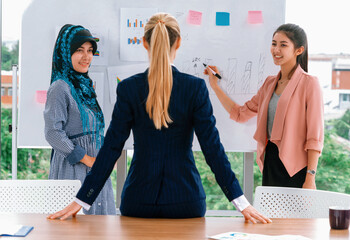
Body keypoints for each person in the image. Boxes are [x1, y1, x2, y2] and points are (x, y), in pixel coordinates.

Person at [48, 13, 271, 223]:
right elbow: (212, 149)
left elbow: (111, 148)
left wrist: (82, 199)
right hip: (186, 201)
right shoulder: (195, 88)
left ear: (144, 43)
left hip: (138, 201)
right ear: (179, 42)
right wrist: (241, 202)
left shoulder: (129, 88)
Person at [204, 23, 324, 189]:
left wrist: (310, 177)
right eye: (274, 44)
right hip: (271, 163)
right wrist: (215, 86)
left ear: (299, 50)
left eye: (283, 45)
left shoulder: (309, 84)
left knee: (296, 216)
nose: (276, 50)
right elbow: (240, 113)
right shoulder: (269, 84)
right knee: (271, 215)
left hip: (297, 169)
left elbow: (314, 137)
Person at [44, 24, 116, 215]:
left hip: (94, 167)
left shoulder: (85, 86)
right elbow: (53, 133)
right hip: (74, 168)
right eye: (79, 50)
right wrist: (88, 159)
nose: (86, 57)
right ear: (65, 53)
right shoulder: (60, 87)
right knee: (73, 229)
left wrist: (103, 158)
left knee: (99, 229)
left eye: (90, 51)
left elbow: (94, 131)